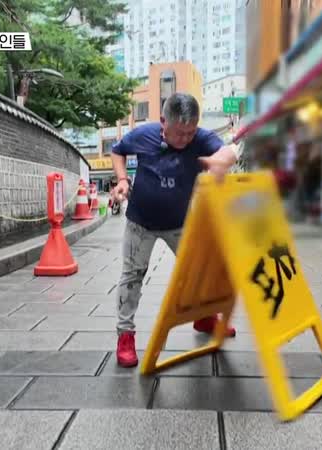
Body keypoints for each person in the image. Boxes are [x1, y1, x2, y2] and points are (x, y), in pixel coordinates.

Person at [110, 93, 238, 367]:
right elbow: (118, 150)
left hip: (180, 224)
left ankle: (204, 318)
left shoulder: (200, 138)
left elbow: (227, 151)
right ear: (163, 122)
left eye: (190, 133)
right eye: (179, 133)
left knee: (200, 271)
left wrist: (221, 161)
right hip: (140, 223)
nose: (185, 139)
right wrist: (122, 180)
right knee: (132, 276)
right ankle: (125, 335)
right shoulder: (143, 135)